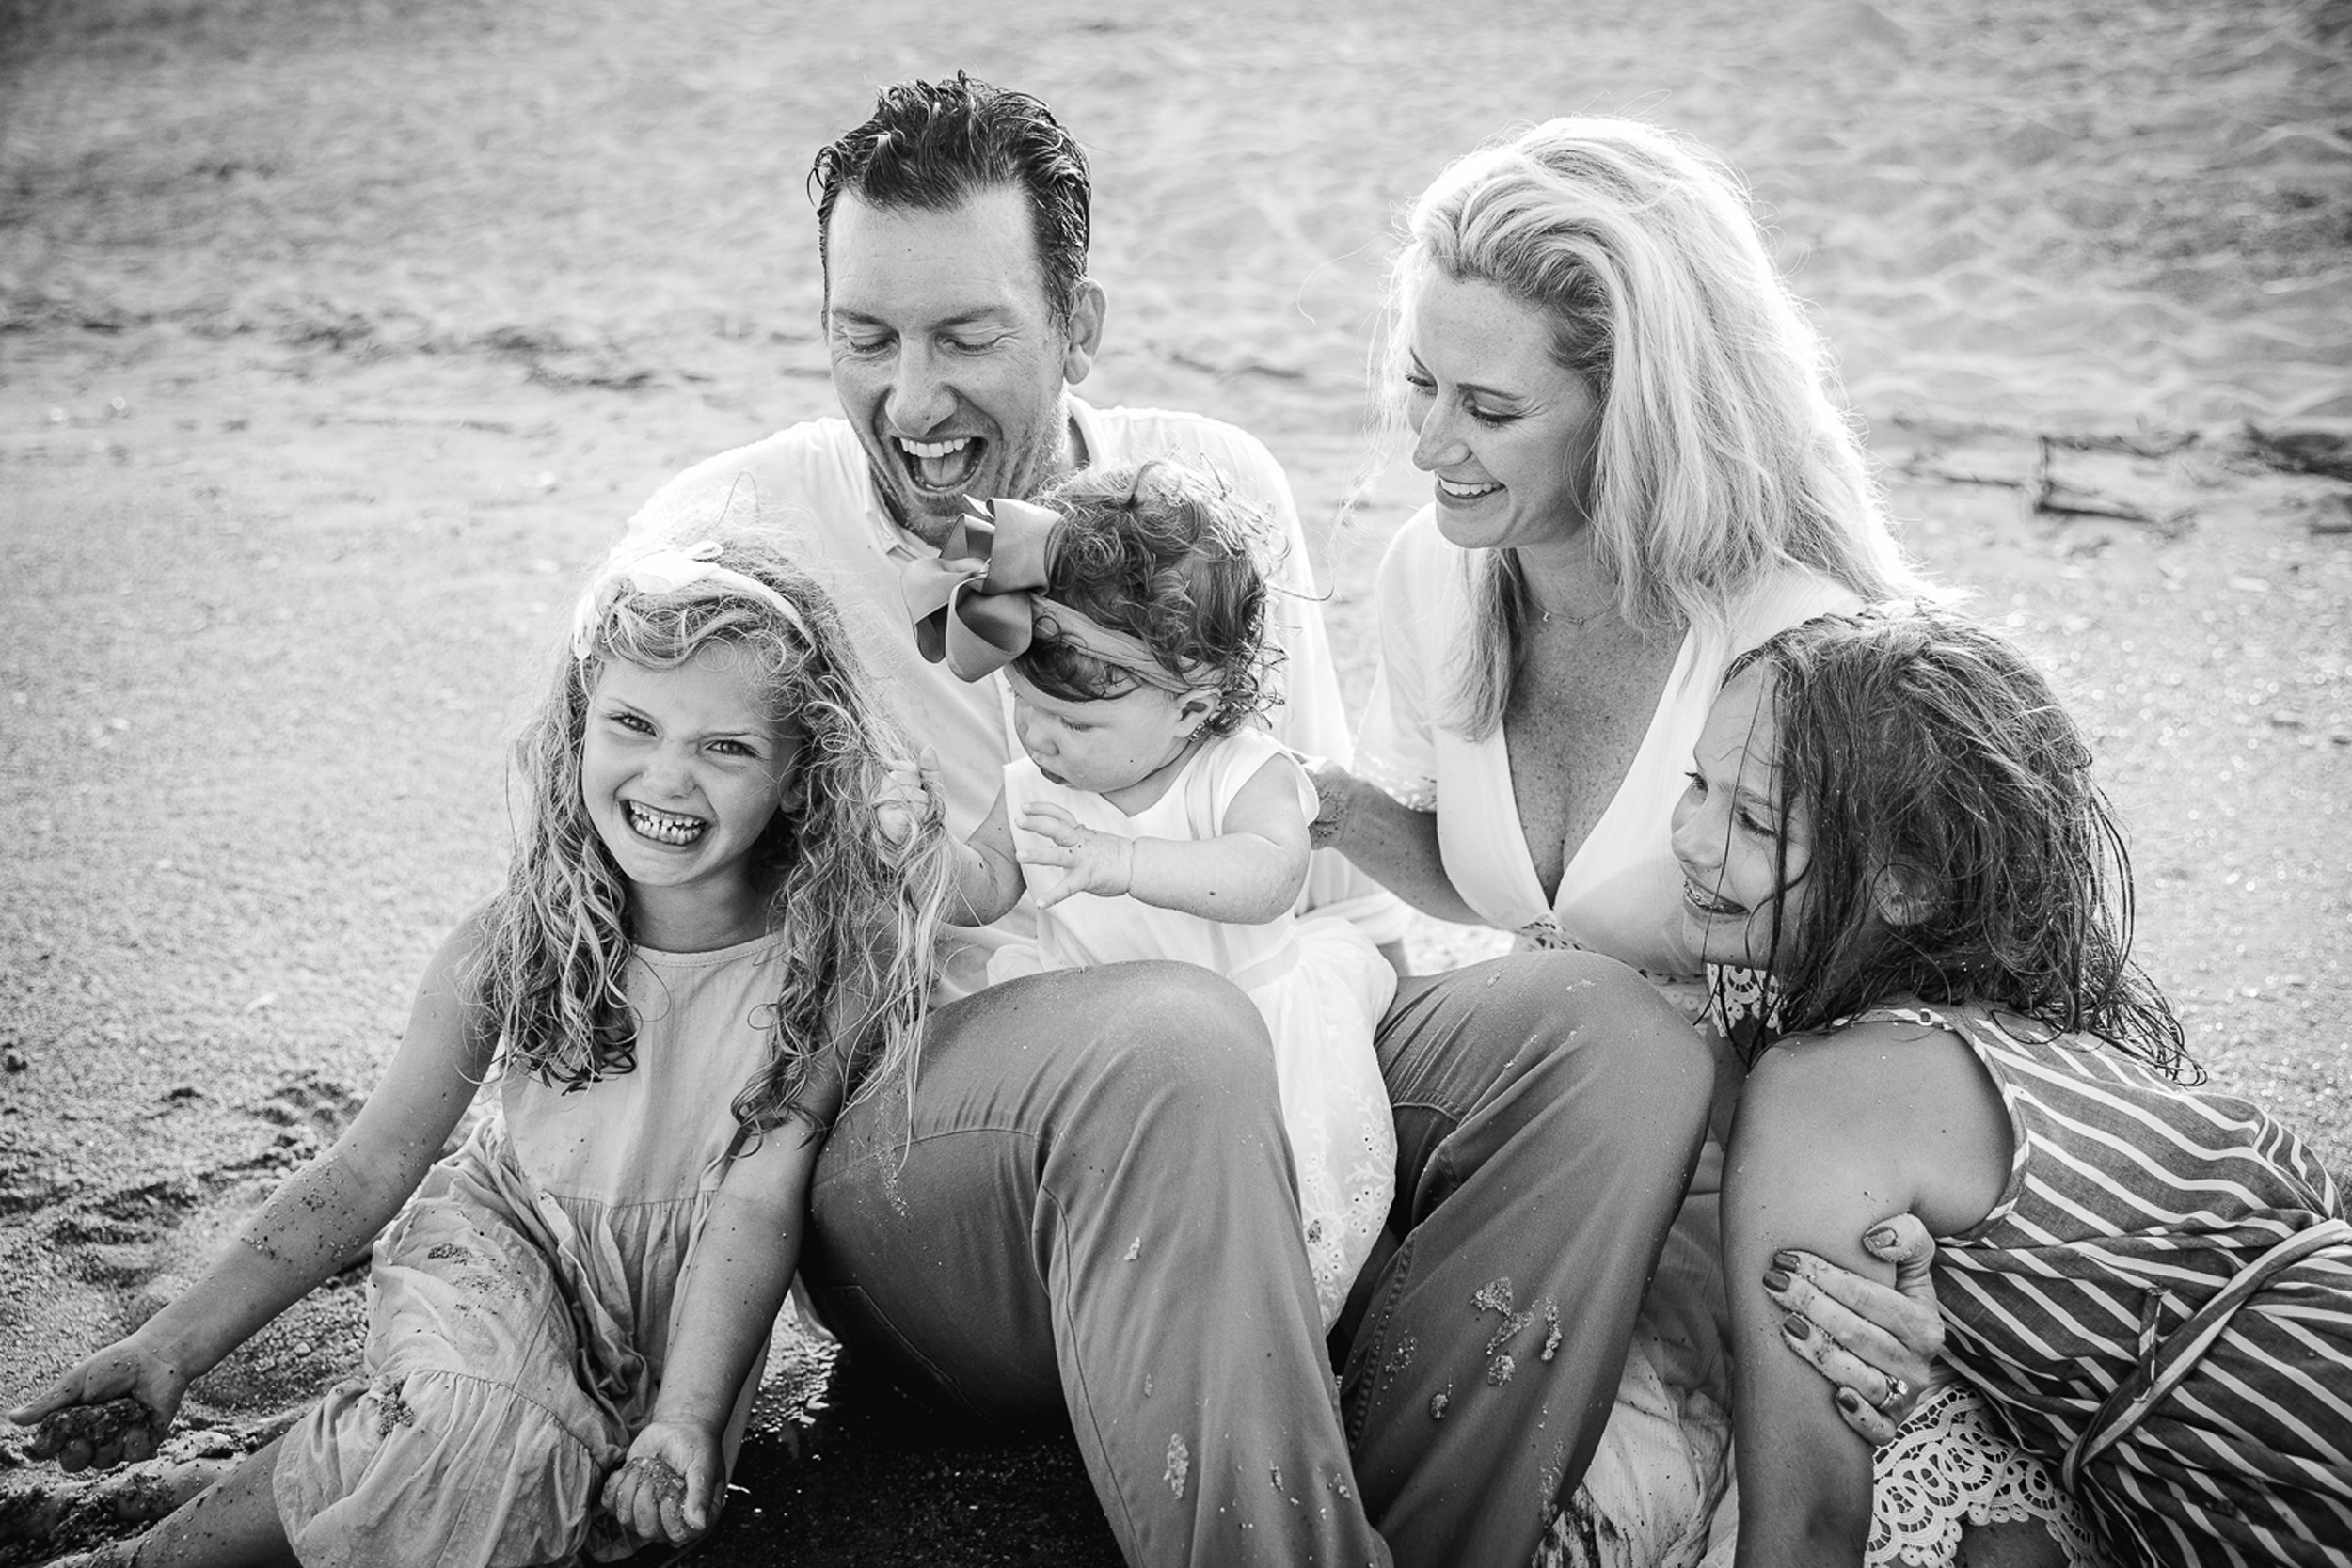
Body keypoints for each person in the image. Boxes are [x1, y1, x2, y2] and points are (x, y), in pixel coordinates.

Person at [628, 74, 1721, 1566]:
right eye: (863, 337)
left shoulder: (1218, 488)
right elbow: (620, 920)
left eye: (966, 337)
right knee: (1173, 1033)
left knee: (1614, 1038)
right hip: (925, 1178)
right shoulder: (726, 535)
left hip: (1229, 1069)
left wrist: (1387, 1114)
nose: (910, 398)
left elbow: (1307, 865)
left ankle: (1406, 1528)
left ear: (1078, 325)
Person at [7, 527, 956, 1565]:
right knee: (480, 1433)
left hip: (689, 1299)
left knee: (572, 1505)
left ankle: (288, 1467)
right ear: (580, 724)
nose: (667, 776)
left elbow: (758, 1192)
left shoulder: (832, 953)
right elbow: (369, 1165)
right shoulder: (516, 940)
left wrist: (688, 1412)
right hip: (506, 1239)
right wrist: (169, 1347)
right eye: (633, 723)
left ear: (799, 774)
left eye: (725, 747)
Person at [1299, 117, 1939, 1560]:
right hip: (1522, 1148)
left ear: (1632, 411)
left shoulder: (1795, 642)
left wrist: (1887, 1266)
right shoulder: (1435, 571)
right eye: (1419, 382)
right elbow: (1493, 893)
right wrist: (1315, 806)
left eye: (1488, 407)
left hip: (1733, 1208)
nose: (1429, 444)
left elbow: (1889, 1020)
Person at [1694, 609, 2352, 1568]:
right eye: (1695, 785)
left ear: (1908, 884)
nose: (1690, 838)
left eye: (1753, 819)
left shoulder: (1826, 1092)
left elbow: (1808, 1530)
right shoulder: (2033, 1034)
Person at [882, 460, 1397, 1328]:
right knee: (1153, 1230)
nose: (1041, 737)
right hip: (1107, 1058)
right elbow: (984, 891)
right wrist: (920, 847)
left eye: (1075, 722)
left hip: (1257, 1042)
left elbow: (1271, 875)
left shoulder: (1240, 772)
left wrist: (1125, 861)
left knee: (1312, 1218)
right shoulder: (1034, 787)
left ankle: (1356, 1334)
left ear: (1194, 705)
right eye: (1023, 704)